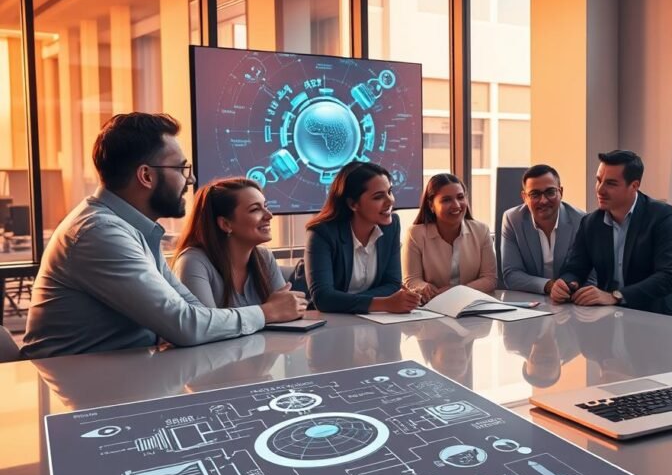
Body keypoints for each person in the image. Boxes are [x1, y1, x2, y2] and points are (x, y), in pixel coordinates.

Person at [21, 113, 304, 359]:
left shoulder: (137, 230)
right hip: (78, 390)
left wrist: (207, 322)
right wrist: (267, 313)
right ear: (146, 176)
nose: (190, 180)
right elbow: (185, 325)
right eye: (182, 169)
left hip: (123, 375)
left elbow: (192, 311)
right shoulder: (100, 233)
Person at [551, 150, 672, 316]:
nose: (600, 190)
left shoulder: (661, 216)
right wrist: (565, 283)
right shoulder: (591, 222)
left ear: (634, 186)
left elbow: (667, 277)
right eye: (598, 180)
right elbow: (575, 268)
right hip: (609, 315)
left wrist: (616, 296)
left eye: (611, 184)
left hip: (655, 316)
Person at [304, 162, 419, 314]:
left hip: (368, 320)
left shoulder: (391, 225)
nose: (390, 200)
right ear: (353, 204)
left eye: (389, 192)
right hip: (323, 321)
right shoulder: (321, 233)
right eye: (378, 197)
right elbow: (324, 298)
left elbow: (392, 284)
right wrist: (384, 304)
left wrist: (345, 301)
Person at [172, 178, 287, 309]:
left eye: (266, 207)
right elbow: (206, 324)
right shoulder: (192, 262)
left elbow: (286, 310)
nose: (269, 215)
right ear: (226, 224)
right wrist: (268, 312)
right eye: (255, 209)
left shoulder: (265, 257)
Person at [402, 173, 497, 301]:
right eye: (446, 200)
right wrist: (424, 287)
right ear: (431, 205)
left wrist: (458, 291)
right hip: (431, 305)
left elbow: (490, 279)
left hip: (471, 303)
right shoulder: (415, 234)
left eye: (460, 197)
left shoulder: (481, 231)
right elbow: (412, 280)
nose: (456, 205)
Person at [500, 164, 587, 295]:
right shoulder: (512, 220)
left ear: (561, 192)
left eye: (550, 192)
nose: (543, 201)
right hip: (531, 301)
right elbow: (511, 275)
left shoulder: (581, 220)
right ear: (524, 197)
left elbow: (591, 274)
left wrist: (570, 288)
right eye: (535, 194)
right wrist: (549, 286)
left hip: (572, 300)